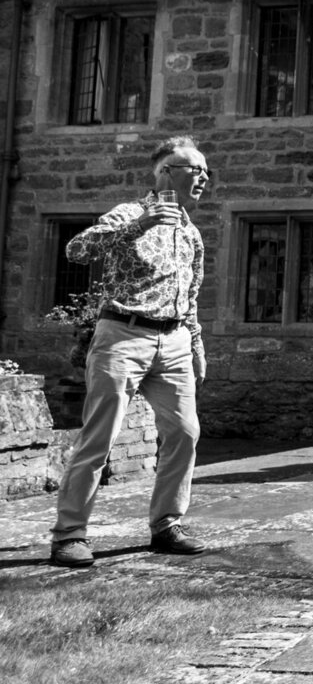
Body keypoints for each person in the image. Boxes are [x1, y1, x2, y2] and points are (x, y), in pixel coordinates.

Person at [49, 136, 210, 568]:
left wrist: (195, 345)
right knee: (99, 437)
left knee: (185, 433)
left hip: (174, 342)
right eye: (195, 170)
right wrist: (138, 225)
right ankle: (69, 534)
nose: (204, 178)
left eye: (206, 172)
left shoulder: (191, 234)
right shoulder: (130, 212)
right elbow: (76, 250)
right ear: (165, 173)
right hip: (123, 334)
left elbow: (189, 296)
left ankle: (166, 526)